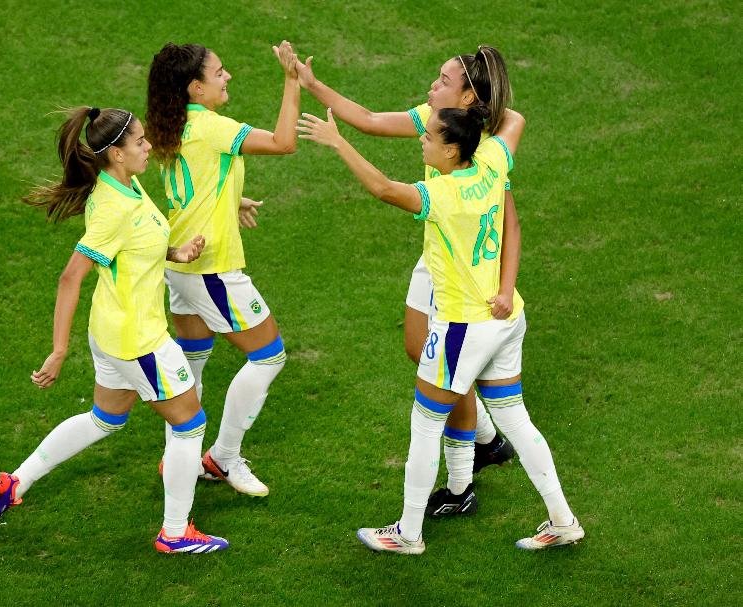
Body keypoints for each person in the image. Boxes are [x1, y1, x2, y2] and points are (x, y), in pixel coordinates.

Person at [297, 102, 584, 552]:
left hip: (463, 327)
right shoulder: (491, 161)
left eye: (431, 136)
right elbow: (513, 121)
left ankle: (409, 533)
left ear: (452, 151)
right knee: (516, 420)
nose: (422, 139)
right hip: (505, 317)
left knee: (427, 424)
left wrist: (338, 143)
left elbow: (384, 189)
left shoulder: (446, 197)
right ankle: (563, 520)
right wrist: (484, 87)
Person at [0, 106, 228, 554]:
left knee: (105, 419)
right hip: (139, 340)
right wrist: (57, 351)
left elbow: (138, 244)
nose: (149, 147)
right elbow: (70, 277)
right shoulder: (112, 207)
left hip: (112, 333)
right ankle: (175, 533)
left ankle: (17, 483)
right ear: (115, 154)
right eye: (140, 143)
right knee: (191, 423)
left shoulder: (125, 183)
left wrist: (176, 252)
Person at [294, 47, 519, 516]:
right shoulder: (442, 118)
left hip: (457, 270)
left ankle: (461, 485)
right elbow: (372, 119)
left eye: (442, 79)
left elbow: (384, 187)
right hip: (434, 259)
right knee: (418, 349)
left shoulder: (484, 143)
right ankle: (488, 438)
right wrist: (310, 83)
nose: (431, 86)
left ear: (469, 96)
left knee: (443, 376)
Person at [143, 41, 299, 497]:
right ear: (196, 87)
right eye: (220, 72)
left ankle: (179, 455)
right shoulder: (211, 127)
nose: (227, 77)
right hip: (210, 267)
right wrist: (292, 82)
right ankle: (222, 458)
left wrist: (232, 202)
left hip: (178, 261)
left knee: (193, 357)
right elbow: (283, 142)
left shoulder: (174, 125)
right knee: (269, 355)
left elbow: (197, 181)